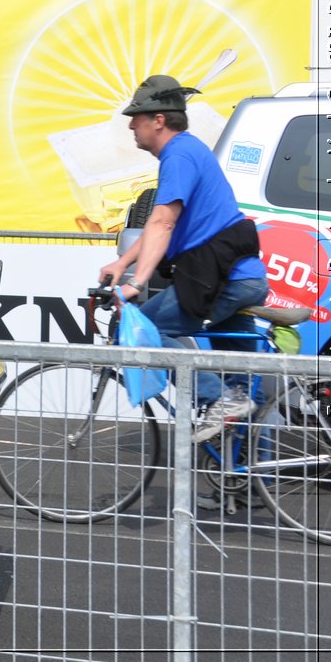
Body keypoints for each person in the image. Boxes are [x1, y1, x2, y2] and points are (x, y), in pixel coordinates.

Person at [98, 74, 269, 442]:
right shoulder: (187, 151)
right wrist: (122, 262)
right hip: (239, 277)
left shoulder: (178, 156)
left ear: (158, 120)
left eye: (137, 117)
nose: (131, 125)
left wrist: (136, 284)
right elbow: (158, 228)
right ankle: (240, 486)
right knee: (243, 390)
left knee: (147, 329)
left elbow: (162, 221)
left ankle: (214, 398)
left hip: (228, 281)